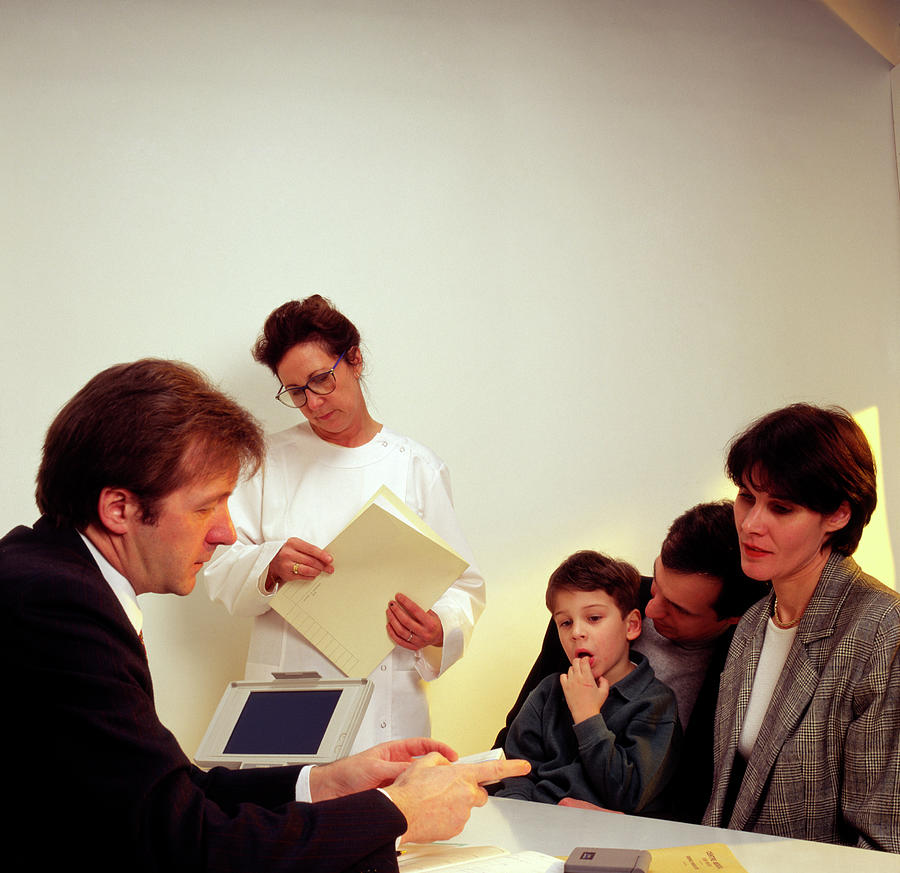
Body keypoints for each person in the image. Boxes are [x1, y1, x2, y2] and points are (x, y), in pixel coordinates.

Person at [0, 358, 528, 873]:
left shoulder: (52, 577)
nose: (227, 532)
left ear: (355, 363)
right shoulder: (56, 606)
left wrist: (327, 783)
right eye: (207, 507)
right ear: (119, 509)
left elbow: (173, 793)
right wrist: (401, 814)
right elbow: (187, 841)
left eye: (323, 379)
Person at [205, 296, 484, 751]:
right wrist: (269, 563)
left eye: (321, 380)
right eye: (297, 392)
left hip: (386, 704)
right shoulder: (263, 463)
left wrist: (437, 628)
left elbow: (462, 585)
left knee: (388, 815)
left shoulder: (416, 467)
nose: (313, 403)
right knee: (288, 813)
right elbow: (217, 566)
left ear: (353, 359)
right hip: (287, 694)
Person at [703, 403, 900, 852]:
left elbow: (885, 840)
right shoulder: (755, 622)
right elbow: (729, 800)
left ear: (838, 516)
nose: (751, 524)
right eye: (747, 497)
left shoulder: (884, 631)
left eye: (782, 507)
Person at [493, 501, 769, 822]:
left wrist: (623, 825)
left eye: (678, 608)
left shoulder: (747, 666)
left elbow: (700, 799)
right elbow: (512, 749)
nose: (650, 609)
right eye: (657, 585)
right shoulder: (598, 601)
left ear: (732, 619)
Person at [495, 550, 681, 814]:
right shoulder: (547, 692)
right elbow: (516, 771)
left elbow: (629, 797)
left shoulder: (655, 704)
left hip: (607, 842)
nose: (577, 633)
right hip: (535, 829)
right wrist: (520, 819)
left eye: (594, 618)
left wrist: (587, 717)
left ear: (631, 626)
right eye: (565, 623)